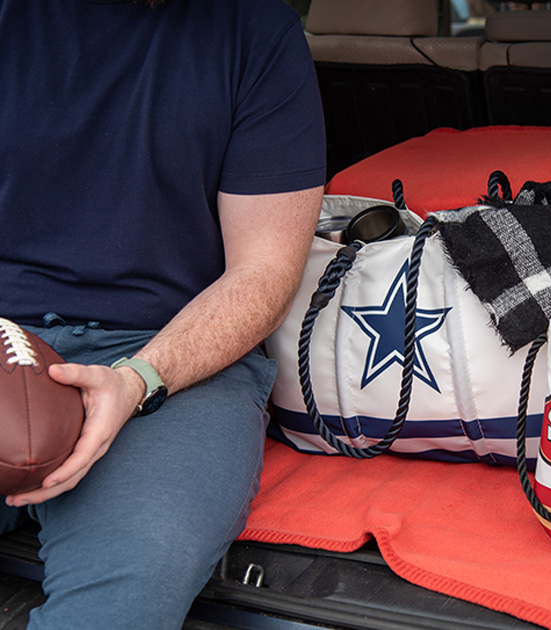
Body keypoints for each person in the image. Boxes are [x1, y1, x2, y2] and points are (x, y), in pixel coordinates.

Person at [0, 1, 326, 628]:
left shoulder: (257, 32)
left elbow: (262, 271)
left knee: (120, 605)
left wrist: (137, 379)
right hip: (7, 334)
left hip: (175, 365)